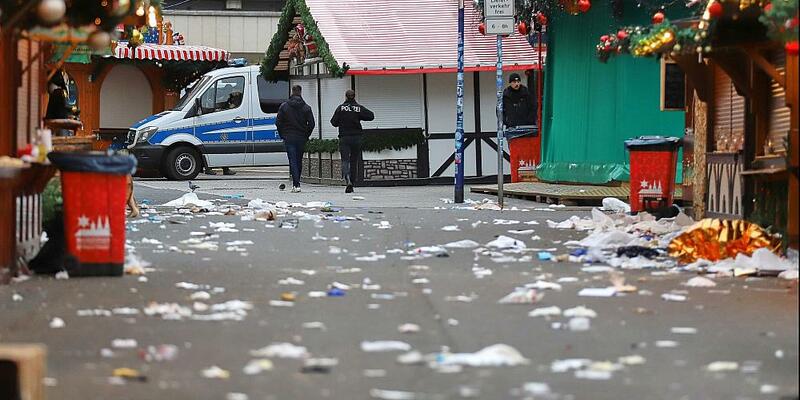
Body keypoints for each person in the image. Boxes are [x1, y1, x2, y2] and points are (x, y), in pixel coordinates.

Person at [330, 89, 374, 193]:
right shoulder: (358, 108)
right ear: (354, 96)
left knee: (345, 160)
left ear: (345, 97)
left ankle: (347, 180)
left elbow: (333, 122)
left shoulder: (340, 108)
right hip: (356, 138)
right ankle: (352, 182)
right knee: (354, 160)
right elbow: (371, 116)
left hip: (344, 138)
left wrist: (341, 121)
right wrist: (359, 117)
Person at [276, 85, 315, 192]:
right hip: (301, 137)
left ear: (292, 92)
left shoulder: (284, 106)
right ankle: (297, 183)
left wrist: (282, 134)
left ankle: (296, 184)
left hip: (288, 136)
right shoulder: (306, 108)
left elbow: (278, 122)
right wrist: (306, 135)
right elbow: (312, 124)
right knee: (299, 160)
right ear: (301, 92)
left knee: (292, 160)